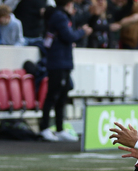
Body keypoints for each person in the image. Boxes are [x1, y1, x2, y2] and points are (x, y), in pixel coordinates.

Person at [39, 0, 92, 141]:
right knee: (53, 95)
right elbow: (69, 36)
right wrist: (83, 31)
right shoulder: (59, 16)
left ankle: (59, 128)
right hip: (58, 62)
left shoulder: (63, 16)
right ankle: (44, 127)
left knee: (61, 97)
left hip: (63, 62)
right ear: (68, 4)